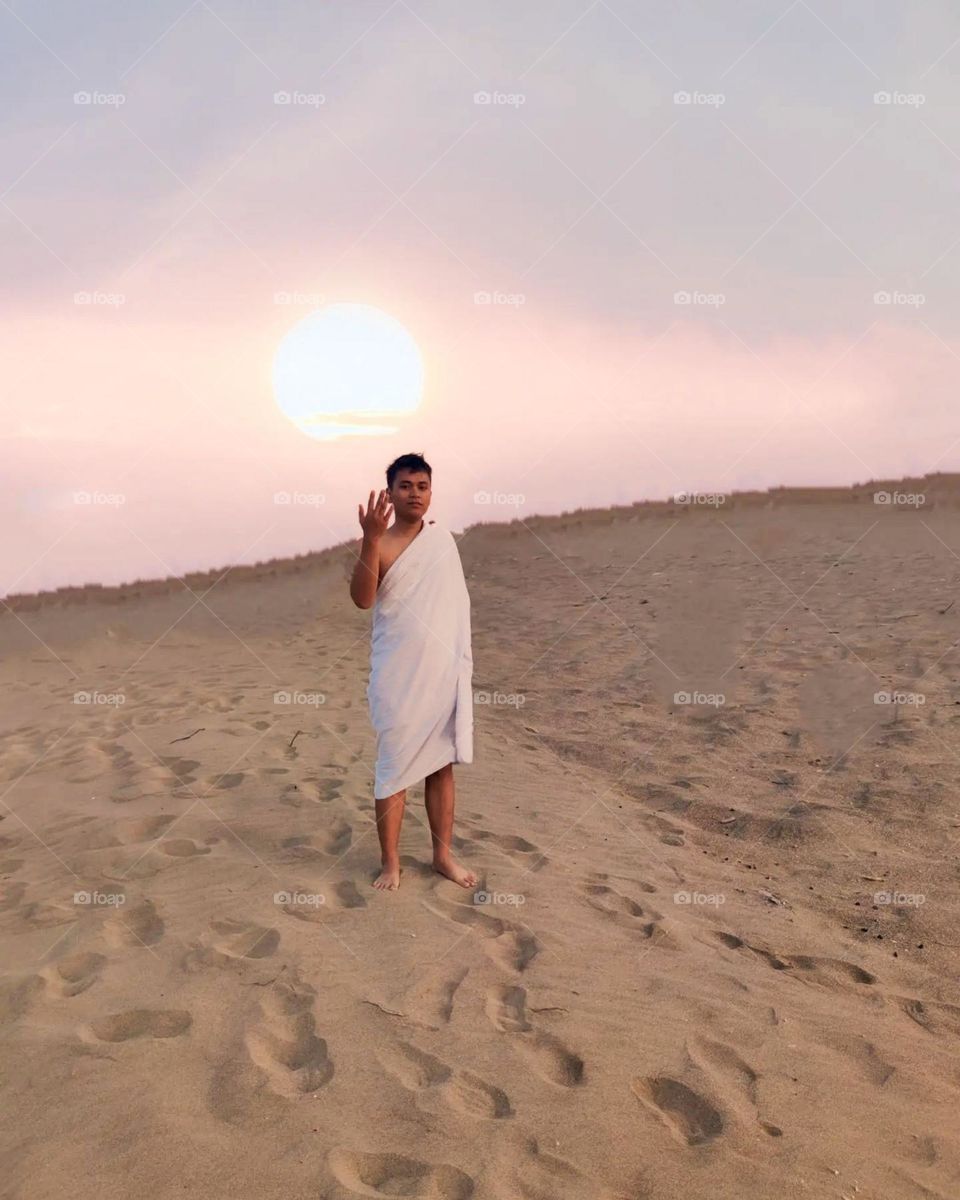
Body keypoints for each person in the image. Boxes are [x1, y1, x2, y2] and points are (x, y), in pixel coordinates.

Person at [349, 452, 477, 891]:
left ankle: (442, 855)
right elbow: (363, 599)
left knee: (440, 766)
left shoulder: (442, 542)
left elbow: (454, 608)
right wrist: (369, 538)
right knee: (394, 767)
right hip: (397, 676)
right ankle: (391, 863)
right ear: (389, 493)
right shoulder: (380, 545)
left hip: (440, 673)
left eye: (422, 486)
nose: (415, 494)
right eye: (405, 486)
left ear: (430, 492)